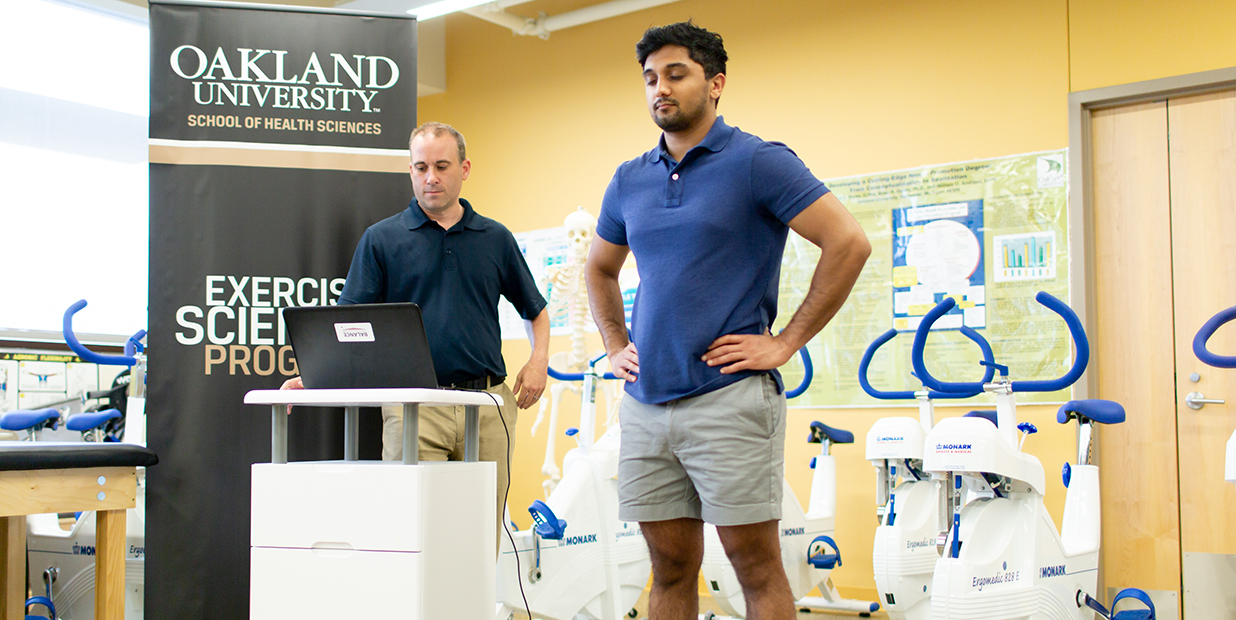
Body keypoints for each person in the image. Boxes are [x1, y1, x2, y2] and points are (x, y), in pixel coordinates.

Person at [584, 22, 871, 620]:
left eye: (676, 74)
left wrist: (785, 342)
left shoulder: (758, 162)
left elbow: (848, 242)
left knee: (755, 567)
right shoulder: (629, 178)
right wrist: (615, 344)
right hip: (645, 402)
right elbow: (600, 269)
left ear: (715, 83)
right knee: (668, 569)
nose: (660, 89)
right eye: (650, 78)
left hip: (729, 397)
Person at [282, 122, 550, 543]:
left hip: (488, 405)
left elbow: (536, 310)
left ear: (464, 169)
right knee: (412, 535)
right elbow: (346, 323)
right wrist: (316, 374)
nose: (431, 177)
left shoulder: (495, 238)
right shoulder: (382, 239)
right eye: (421, 167)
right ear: (410, 171)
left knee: (481, 539)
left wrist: (538, 361)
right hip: (414, 407)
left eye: (442, 166)